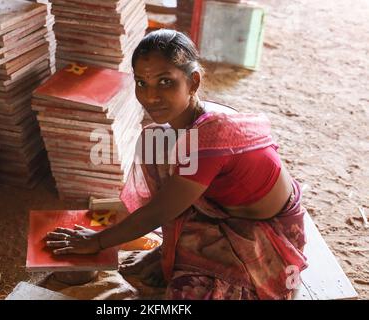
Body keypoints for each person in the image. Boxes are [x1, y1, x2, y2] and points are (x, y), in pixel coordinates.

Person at [45, 29, 308, 300]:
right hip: (220, 212)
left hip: (264, 233)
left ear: (193, 82)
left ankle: (181, 257)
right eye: (142, 82)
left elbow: (158, 212)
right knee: (154, 141)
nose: (150, 96)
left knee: (187, 295)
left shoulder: (209, 135)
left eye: (165, 82)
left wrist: (97, 241)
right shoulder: (189, 125)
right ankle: (169, 251)